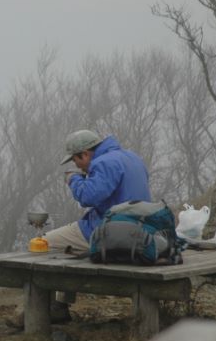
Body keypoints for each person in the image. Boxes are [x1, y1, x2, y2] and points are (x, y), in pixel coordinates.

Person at [45, 129, 151, 320]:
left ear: (85, 154)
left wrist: (73, 179)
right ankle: (60, 304)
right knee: (68, 250)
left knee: (43, 244)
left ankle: (50, 308)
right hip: (140, 231)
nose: (77, 165)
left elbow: (88, 197)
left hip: (109, 233)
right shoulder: (131, 157)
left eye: (76, 161)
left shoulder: (104, 163)